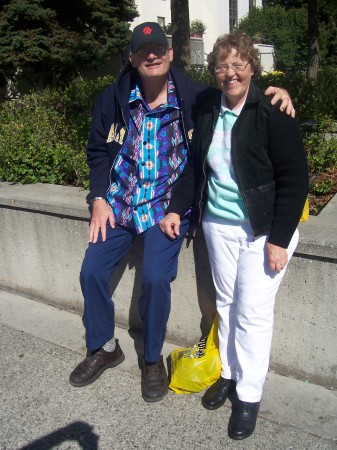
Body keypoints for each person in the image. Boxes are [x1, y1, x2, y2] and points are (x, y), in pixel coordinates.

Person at [69, 22, 296, 403]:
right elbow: (96, 151)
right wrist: (98, 197)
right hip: (120, 203)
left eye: (158, 48)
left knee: (156, 278)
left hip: (165, 208)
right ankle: (104, 347)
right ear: (133, 58)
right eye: (143, 51)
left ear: (171, 54)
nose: (152, 55)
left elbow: (237, 93)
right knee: (91, 270)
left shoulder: (195, 96)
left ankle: (152, 358)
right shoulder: (112, 98)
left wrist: (280, 95)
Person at [160, 31, 308, 438]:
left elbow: (295, 180)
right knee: (225, 303)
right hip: (218, 225)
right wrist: (176, 207)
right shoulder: (207, 107)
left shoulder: (272, 111)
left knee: (252, 313)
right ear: (214, 72)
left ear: (252, 68)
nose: (230, 73)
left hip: (263, 229)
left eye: (239, 64)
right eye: (222, 65)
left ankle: (248, 395)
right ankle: (227, 371)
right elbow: (193, 167)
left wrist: (279, 238)